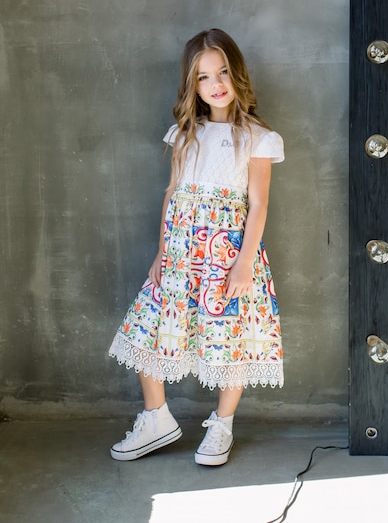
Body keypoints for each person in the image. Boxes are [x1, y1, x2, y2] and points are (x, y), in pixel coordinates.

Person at [109, 28, 285, 466]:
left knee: (230, 339)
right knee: (147, 328)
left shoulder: (257, 137)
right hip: (181, 255)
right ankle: (157, 419)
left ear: (236, 73)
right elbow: (172, 193)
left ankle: (222, 424)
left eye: (222, 71)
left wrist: (245, 264)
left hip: (227, 257)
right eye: (204, 77)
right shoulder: (184, 134)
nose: (216, 83)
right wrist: (161, 252)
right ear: (193, 85)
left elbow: (259, 205)